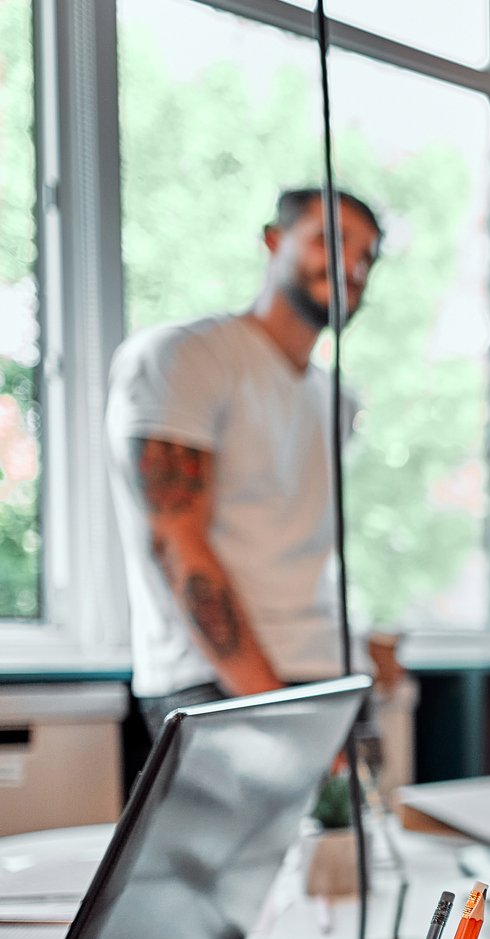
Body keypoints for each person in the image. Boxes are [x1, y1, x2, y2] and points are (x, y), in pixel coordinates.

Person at [105, 188, 384, 733]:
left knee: (364, 824)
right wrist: (274, 706)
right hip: (220, 684)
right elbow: (175, 541)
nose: (351, 265)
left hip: (332, 675)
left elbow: (295, 544)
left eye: (367, 257)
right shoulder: (184, 357)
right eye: (330, 240)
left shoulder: (338, 400)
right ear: (274, 242)